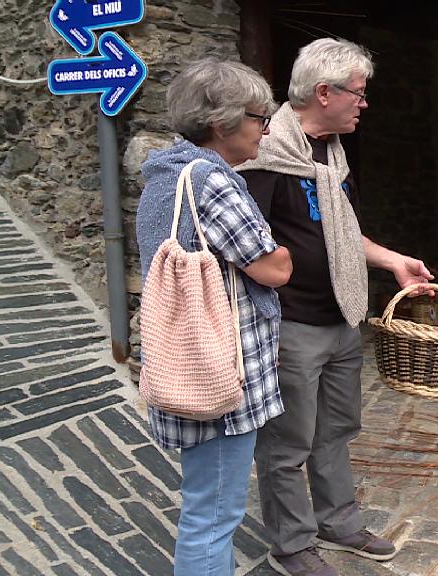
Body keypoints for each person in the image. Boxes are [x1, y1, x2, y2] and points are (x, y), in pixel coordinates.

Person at [238, 38, 432, 576]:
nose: (364, 103)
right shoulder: (265, 155)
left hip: (341, 319)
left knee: (337, 430)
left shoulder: (333, 154)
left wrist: (393, 261)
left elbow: (343, 234)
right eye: (358, 93)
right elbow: (244, 247)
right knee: (287, 443)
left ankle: (338, 521)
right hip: (291, 326)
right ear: (324, 93)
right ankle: (292, 543)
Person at [136, 59, 292, 575]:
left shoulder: (163, 176)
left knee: (203, 501)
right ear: (222, 123)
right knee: (215, 513)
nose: (265, 128)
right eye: (258, 116)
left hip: (182, 360)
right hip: (221, 373)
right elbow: (272, 268)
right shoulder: (215, 182)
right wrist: (285, 253)